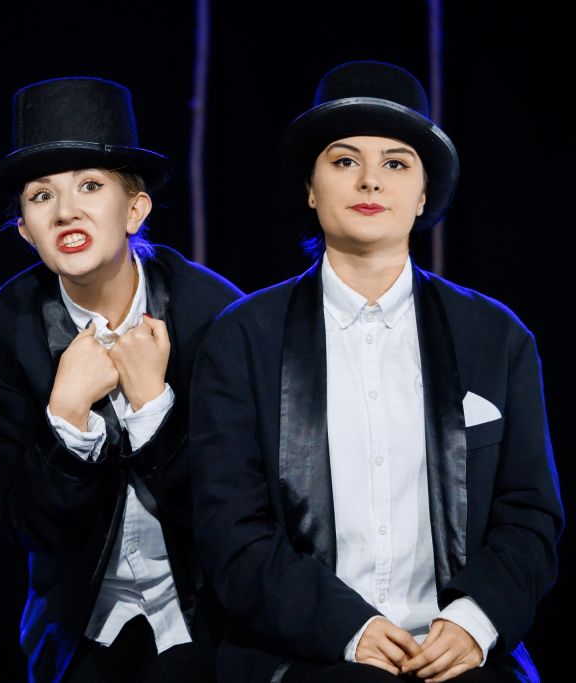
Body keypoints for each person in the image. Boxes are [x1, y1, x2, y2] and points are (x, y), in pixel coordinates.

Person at [191, 60, 563, 682]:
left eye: (396, 163)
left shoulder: (496, 336)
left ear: (423, 196)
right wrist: (348, 628)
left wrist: (474, 619)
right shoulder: (243, 337)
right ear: (311, 189)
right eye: (344, 161)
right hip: (305, 653)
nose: (370, 180)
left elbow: (530, 513)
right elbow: (230, 528)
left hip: (458, 649)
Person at [0, 76, 243, 682]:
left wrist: (153, 407)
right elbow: (25, 524)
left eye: (90, 186)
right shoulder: (0, 332)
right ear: (25, 230)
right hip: (81, 619)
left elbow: (235, 512)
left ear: (135, 209)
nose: (66, 210)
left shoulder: (216, 314)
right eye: (41, 196)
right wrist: (66, 413)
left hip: (206, 613)